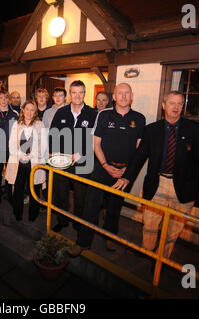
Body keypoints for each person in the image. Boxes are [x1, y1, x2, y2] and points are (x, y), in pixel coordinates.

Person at [114, 91, 199, 260]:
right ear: (164, 105)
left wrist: (196, 187)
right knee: (150, 223)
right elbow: (139, 156)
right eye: (172, 103)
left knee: (173, 230)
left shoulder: (194, 129)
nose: (176, 107)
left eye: (180, 104)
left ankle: (162, 259)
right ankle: (147, 251)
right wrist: (126, 176)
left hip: (184, 188)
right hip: (157, 183)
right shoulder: (152, 130)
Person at [68, 83, 146, 256]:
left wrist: (128, 173)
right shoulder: (104, 115)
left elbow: (139, 149)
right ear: (115, 97)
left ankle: (109, 236)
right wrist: (105, 165)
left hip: (124, 173)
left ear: (131, 95)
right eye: (120, 93)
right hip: (102, 168)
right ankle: (83, 242)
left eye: (127, 93)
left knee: (115, 207)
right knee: (91, 205)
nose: (124, 96)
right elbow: (96, 143)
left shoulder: (139, 118)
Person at [49, 80, 97, 232]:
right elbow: (52, 134)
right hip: (61, 161)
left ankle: (78, 222)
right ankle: (62, 221)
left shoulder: (92, 114)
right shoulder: (61, 112)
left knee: (80, 196)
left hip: (82, 163)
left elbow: (95, 139)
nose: (77, 96)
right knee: (60, 193)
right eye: (74, 92)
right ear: (70, 94)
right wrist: (53, 152)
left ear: (84, 94)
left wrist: (81, 154)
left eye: (80, 92)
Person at [5, 100, 47, 221]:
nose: (29, 112)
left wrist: (32, 155)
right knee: (17, 190)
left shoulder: (40, 125)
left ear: (35, 112)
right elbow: (12, 143)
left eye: (32, 110)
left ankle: (33, 215)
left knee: (33, 189)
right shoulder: (17, 124)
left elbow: (43, 145)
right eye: (27, 109)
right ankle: (17, 214)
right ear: (22, 110)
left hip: (34, 163)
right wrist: (20, 154)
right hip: (19, 162)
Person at [0, 90, 19, 212]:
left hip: (11, 151)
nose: (4, 100)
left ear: (9, 99)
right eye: (1, 98)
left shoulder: (15, 114)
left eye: (6, 98)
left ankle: (10, 197)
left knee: (11, 176)